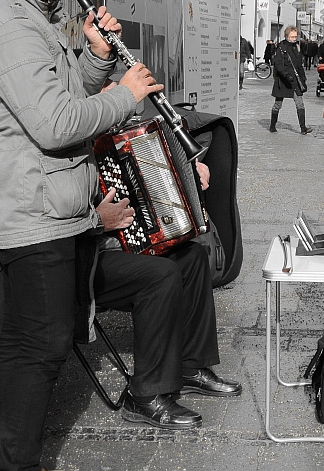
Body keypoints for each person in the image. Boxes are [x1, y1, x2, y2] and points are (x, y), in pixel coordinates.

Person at [0, 0, 162, 470]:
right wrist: (125, 97)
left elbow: (62, 94)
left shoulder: (29, 15)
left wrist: (98, 58)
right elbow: (55, 125)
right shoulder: (11, 27)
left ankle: (4, 448)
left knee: (29, 339)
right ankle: (12, 461)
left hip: (47, 204)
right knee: (39, 346)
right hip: (33, 211)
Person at [89, 160, 240, 431]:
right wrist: (97, 219)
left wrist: (190, 169)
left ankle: (189, 367)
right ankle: (145, 395)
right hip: (84, 261)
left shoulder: (95, 137)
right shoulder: (60, 148)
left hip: (115, 245)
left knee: (192, 257)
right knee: (162, 273)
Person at [270, 25, 310, 134]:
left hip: (295, 81)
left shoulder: (297, 47)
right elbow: (278, 65)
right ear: (287, 36)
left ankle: (303, 128)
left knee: (300, 104)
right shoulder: (281, 48)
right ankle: (272, 125)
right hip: (283, 80)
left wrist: (303, 79)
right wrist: (286, 75)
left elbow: (299, 65)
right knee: (278, 104)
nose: (294, 39)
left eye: (295, 36)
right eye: (292, 37)